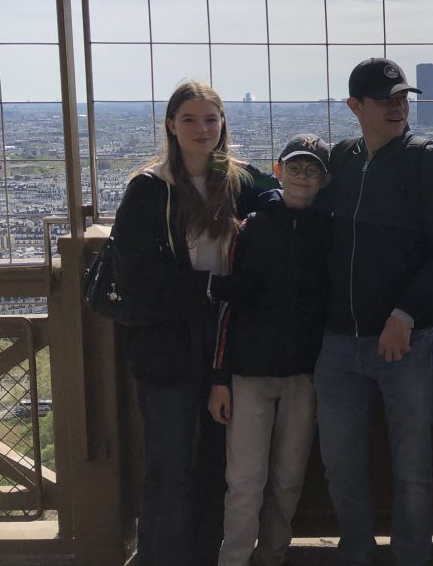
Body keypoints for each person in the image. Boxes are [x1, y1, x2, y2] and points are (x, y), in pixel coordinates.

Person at [112, 80, 277, 566]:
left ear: (223, 123)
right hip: (172, 338)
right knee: (169, 464)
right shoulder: (148, 189)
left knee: (213, 462)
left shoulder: (244, 183)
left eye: (210, 119)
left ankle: (202, 555)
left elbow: (286, 204)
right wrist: (213, 288)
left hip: (225, 336)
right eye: (189, 119)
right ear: (170, 125)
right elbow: (137, 276)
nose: (201, 129)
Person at [314, 58, 433, 566]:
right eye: (386, 99)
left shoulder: (429, 161)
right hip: (340, 342)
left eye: (404, 97)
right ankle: (357, 554)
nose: (399, 106)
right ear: (354, 106)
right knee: (341, 466)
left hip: (407, 340)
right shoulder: (341, 160)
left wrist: (404, 315)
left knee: (412, 470)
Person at [208, 134, 332, 566]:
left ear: (324, 179)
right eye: (295, 167)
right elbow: (229, 307)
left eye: (311, 169)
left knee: (287, 480)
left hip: (303, 375)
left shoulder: (328, 232)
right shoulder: (251, 228)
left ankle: (272, 557)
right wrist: (220, 378)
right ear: (277, 171)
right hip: (249, 373)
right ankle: (237, 560)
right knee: (244, 481)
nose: (302, 175)